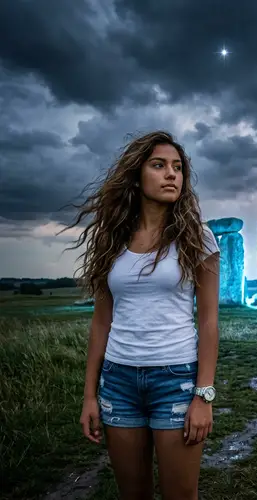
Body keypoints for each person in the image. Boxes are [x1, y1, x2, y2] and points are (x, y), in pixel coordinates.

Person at [61, 130, 220, 500]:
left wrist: (204, 396)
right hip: (118, 382)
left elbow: (209, 320)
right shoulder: (111, 238)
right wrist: (90, 396)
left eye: (178, 168)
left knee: (180, 495)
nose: (172, 175)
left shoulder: (198, 237)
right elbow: (102, 322)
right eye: (159, 165)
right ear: (137, 175)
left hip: (176, 380)